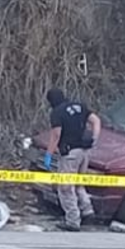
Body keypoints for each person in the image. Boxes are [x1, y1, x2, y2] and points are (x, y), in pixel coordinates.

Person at [45, 88, 101, 232]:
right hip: (84, 152)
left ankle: (73, 221)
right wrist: (94, 139)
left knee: (65, 188)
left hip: (70, 154)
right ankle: (88, 211)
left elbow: (56, 135)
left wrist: (49, 154)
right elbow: (96, 121)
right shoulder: (79, 106)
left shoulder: (57, 112)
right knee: (78, 184)